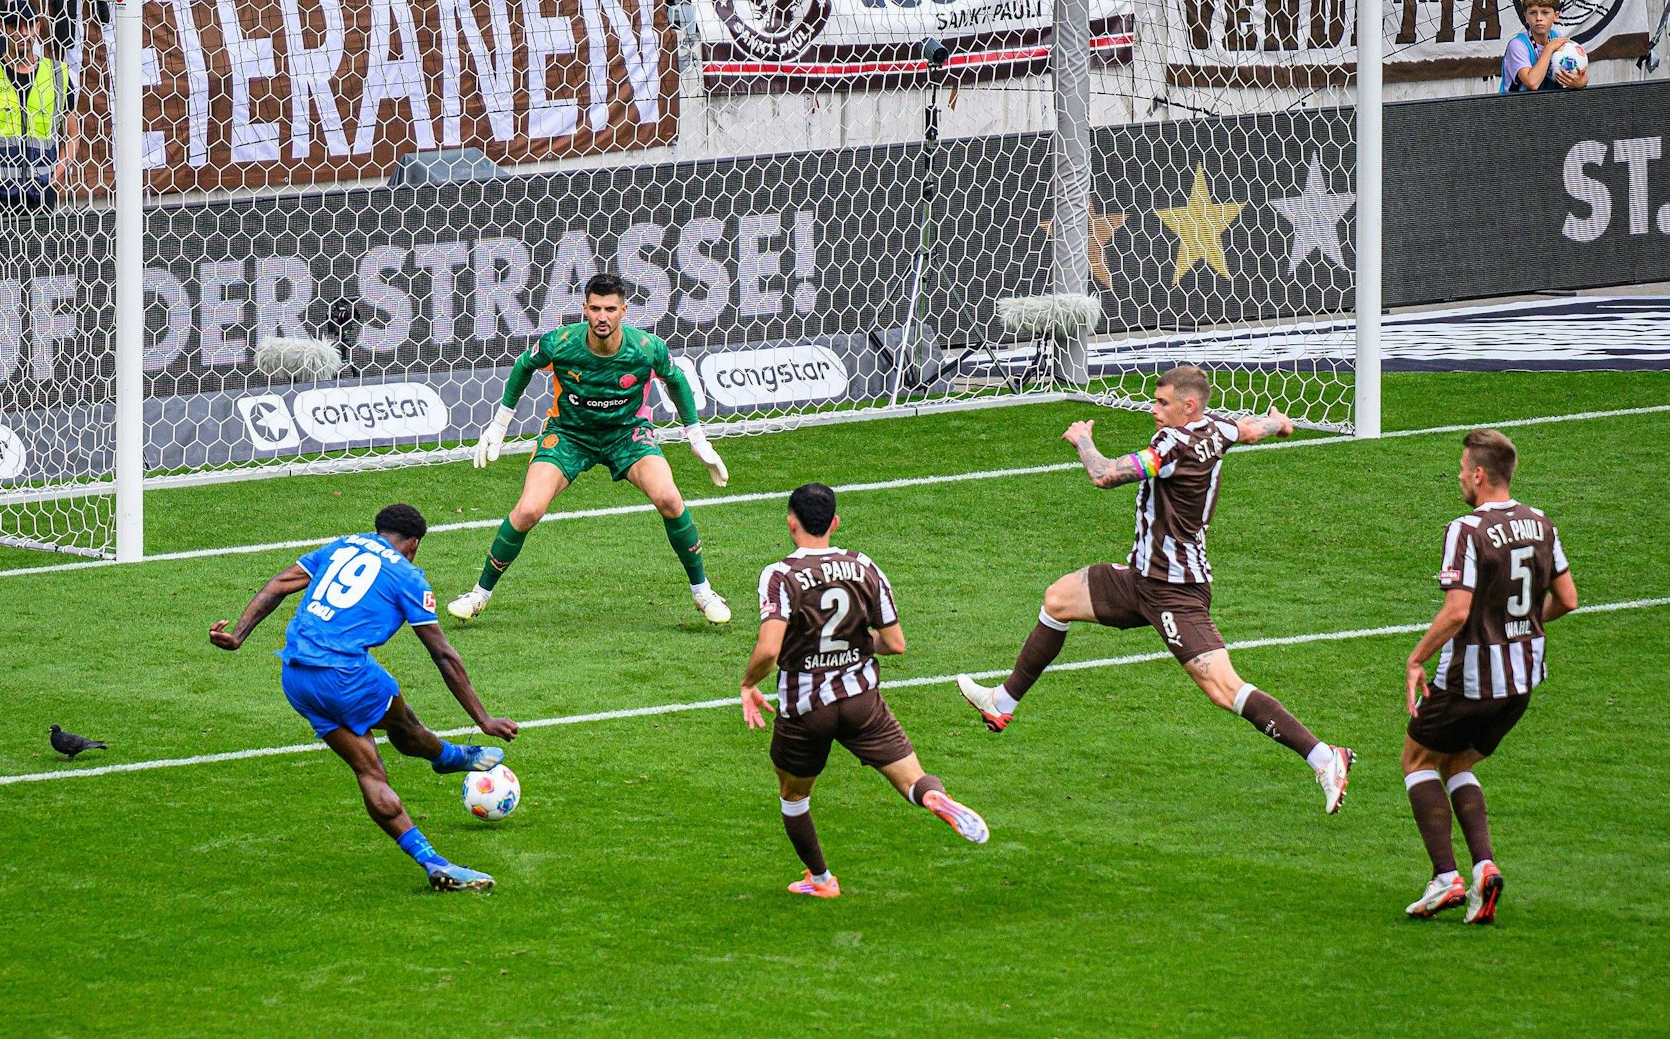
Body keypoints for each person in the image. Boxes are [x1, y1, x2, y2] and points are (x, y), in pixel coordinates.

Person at [956, 366, 1357, 813]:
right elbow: (1248, 429)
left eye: (1162, 403)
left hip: (1175, 591)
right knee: (1058, 599)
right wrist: (1279, 422)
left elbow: (1105, 475)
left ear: (1189, 406)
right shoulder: (1215, 427)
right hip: (1140, 579)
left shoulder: (1172, 445)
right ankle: (1002, 701)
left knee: (1223, 688)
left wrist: (1082, 438)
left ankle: (1325, 757)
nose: (1153, 410)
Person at [207, 503, 519, 892]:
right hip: (344, 673)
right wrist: (483, 720)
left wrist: (238, 635)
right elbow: (444, 655)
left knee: (369, 770)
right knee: (405, 726)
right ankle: (447, 757)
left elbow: (279, 584)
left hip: (296, 673)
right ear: (414, 544)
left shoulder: (343, 546)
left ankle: (433, 862)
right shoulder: (408, 576)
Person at [740, 483, 989, 899]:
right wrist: (857, 647)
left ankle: (821, 880)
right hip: (861, 700)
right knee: (912, 780)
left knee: (794, 794)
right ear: (834, 523)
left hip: (806, 707)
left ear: (791, 522)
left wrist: (749, 683)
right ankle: (934, 799)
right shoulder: (864, 567)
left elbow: (769, 649)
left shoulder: (780, 575)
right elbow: (895, 643)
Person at [446, 271, 736, 625]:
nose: (603, 317)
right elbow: (524, 365)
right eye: (596, 308)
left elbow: (675, 380)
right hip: (570, 434)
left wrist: (697, 438)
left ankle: (703, 593)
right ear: (584, 309)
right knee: (528, 511)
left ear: (624, 311)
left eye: (610, 309)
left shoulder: (646, 348)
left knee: (670, 500)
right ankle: (478, 594)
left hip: (627, 433)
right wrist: (500, 424)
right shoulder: (561, 343)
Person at [1399, 429, 1576, 923]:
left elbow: (1457, 612)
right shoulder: (1543, 525)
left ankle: (1445, 878)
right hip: (1521, 682)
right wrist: (1523, 626)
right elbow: (1568, 600)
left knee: (1417, 760)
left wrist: (1416, 659)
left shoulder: (1467, 529)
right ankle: (1484, 868)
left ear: (1478, 474)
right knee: (1457, 764)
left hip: (1472, 678)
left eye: (1461, 469)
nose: (1458, 476)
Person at [0, 10, 78, 215]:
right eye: (14, 26)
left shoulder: (58, 75)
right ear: (2, 28)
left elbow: (73, 134)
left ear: (37, 28)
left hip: (40, 194)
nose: (23, 33)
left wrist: (56, 177)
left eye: (28, 26)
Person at [1500, 0, 1586, 93]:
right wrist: (1549, 48)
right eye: (1533, 13)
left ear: (1555, 16)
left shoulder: (1556, 37)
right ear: (1526, 17)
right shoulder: (1517, 45)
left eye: (1545, 13)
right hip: (1516, 106)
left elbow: (1581, 74)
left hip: (1549, 105)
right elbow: (1532, 83)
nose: (1538, 18)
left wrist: (1580, 82)